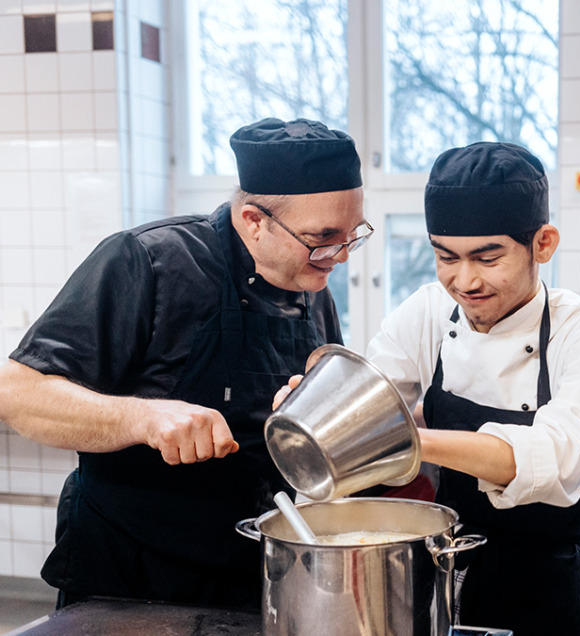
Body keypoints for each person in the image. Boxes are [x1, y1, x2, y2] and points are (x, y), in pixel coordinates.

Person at [0, 117, 367, 609]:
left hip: (253, 579)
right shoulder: (148, 261)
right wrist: (145, 417)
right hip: (131, 581)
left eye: (352, 235)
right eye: (323, 237)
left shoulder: (310, 287)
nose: (340, 256)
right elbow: (18, 392)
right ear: (255, 221)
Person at [280, 141, 580, 635]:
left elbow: (557, 460)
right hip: (450, 565)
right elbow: (367, 396)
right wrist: (321, 407)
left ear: (543, 244)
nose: (464, 281)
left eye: (488, 258)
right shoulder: (428, 310)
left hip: (551, 580)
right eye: (446, 257)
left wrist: (398, 439)